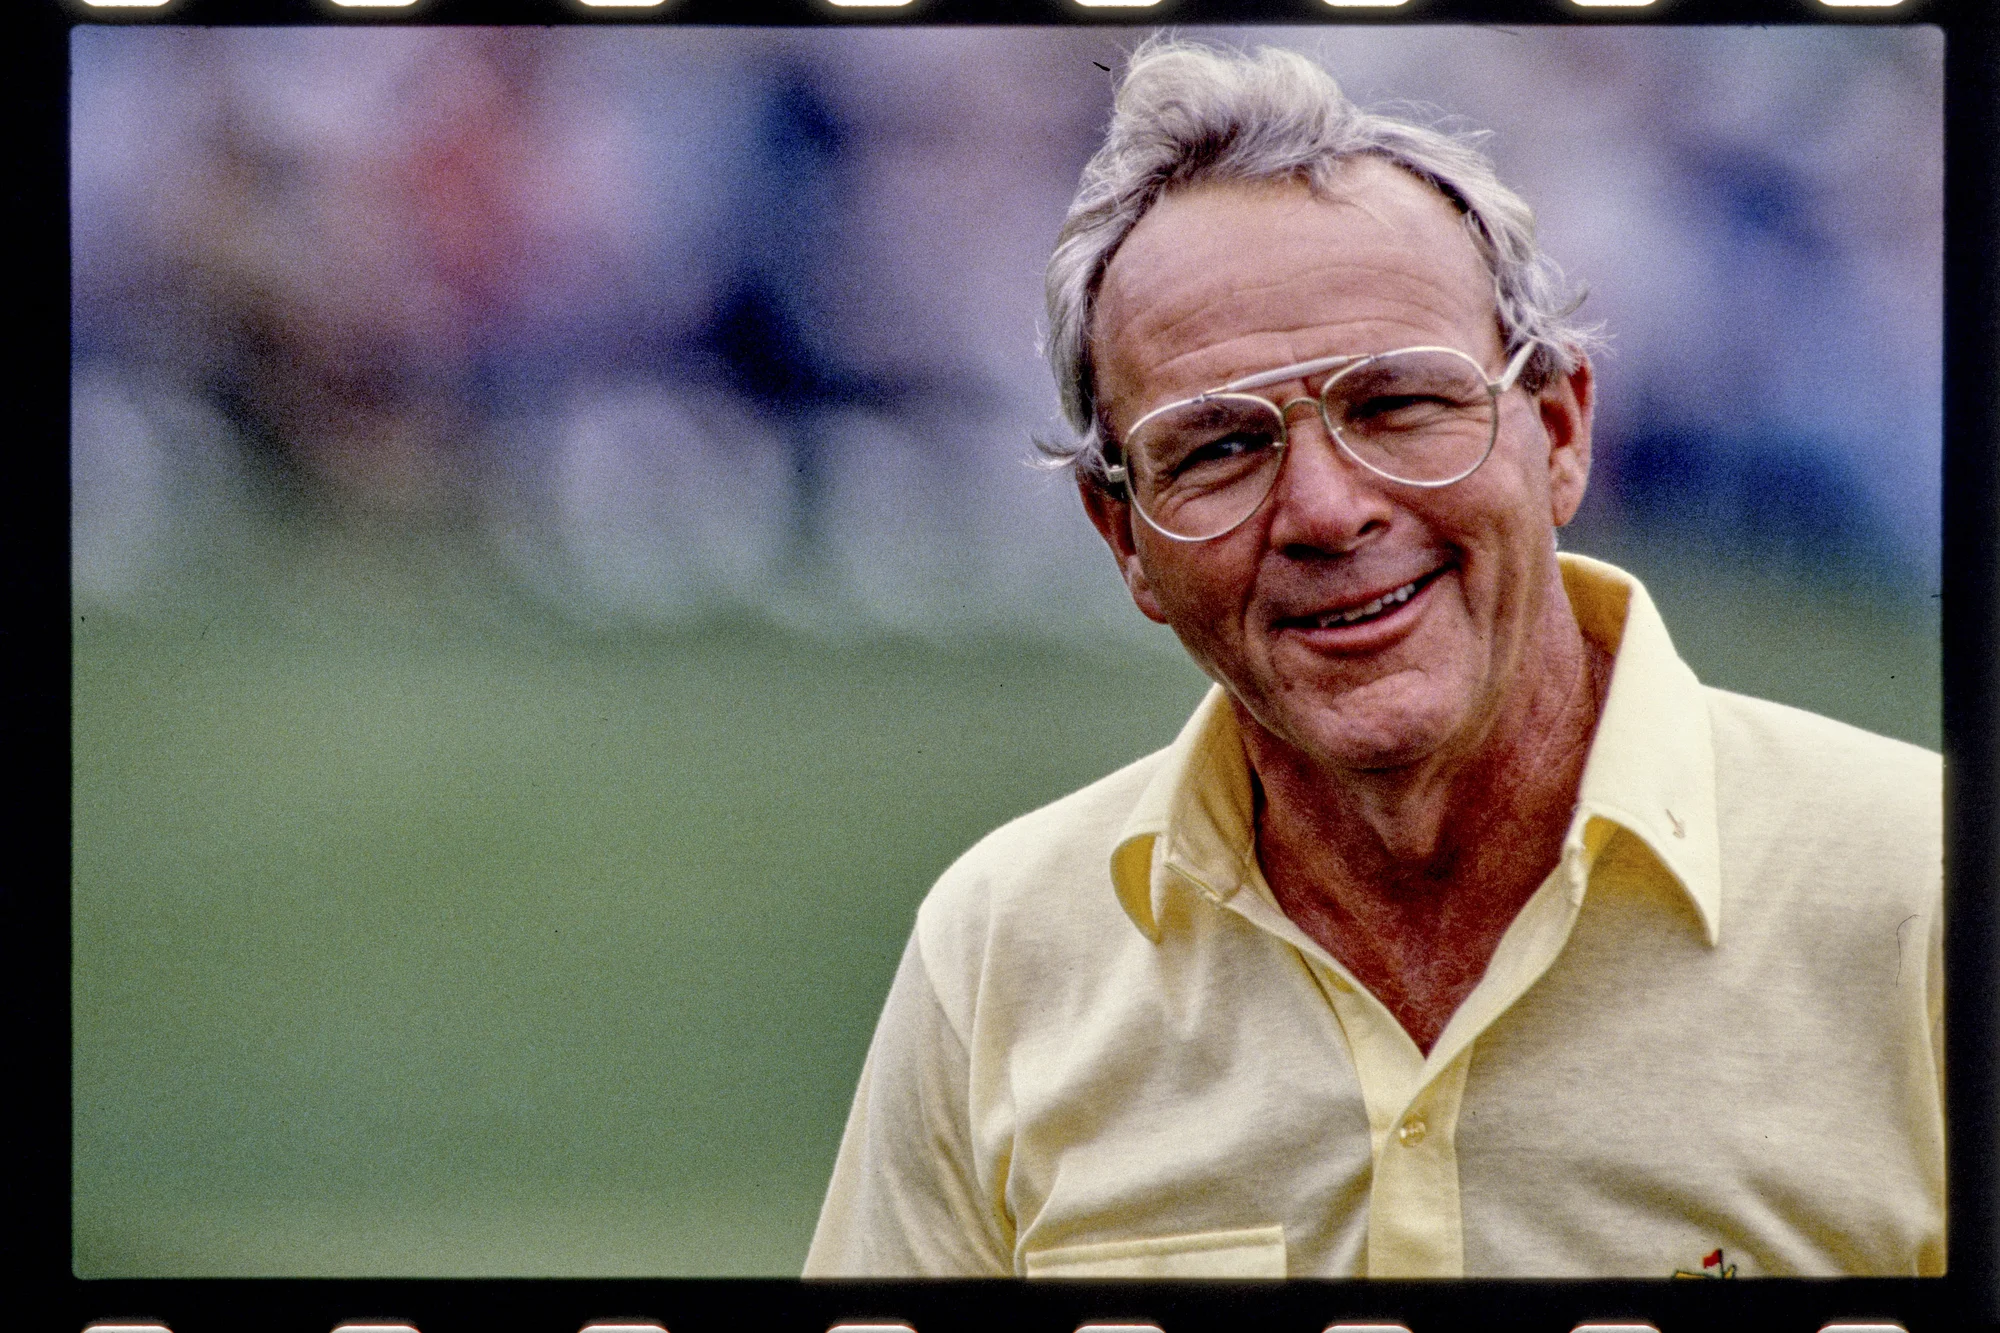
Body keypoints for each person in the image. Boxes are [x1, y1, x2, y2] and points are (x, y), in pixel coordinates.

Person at [803, 39, 1943, 1279]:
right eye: (1218, 450)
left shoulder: (1926, 892)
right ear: (1122, 536)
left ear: (1559, 432)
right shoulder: (1002, 952)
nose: (1324, 510)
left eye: (1397, 404)